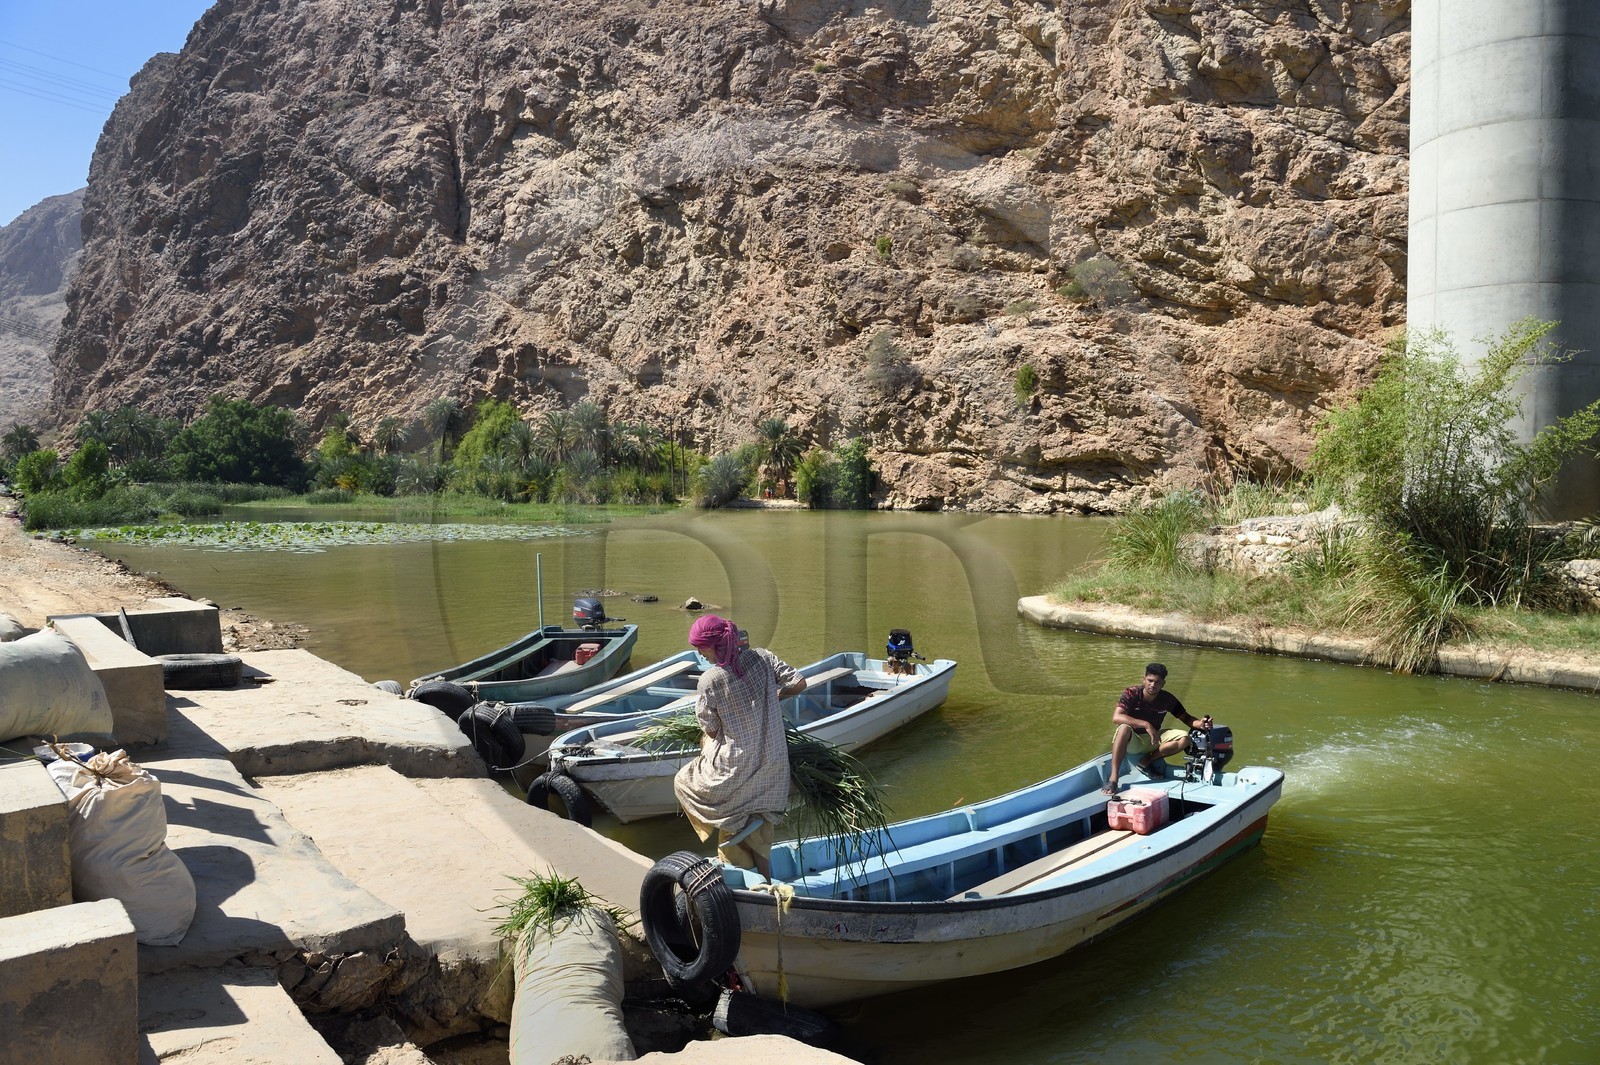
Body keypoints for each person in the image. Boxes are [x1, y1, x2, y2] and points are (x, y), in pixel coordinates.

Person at [673, 614, 807, 878]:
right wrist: (773, 697)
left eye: (701, 648)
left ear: (713, 646)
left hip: (734, 767)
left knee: (682, 781)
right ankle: (765, 876)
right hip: (773, 762)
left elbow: (710, 728)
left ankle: (730, 819)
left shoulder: (710, 680)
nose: (700, 654)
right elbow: (799, 683)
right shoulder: (763, 658)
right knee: (758, 823)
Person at [1103, 662, 1210, 795]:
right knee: (1123, 728)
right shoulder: (1131, 693)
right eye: (1150, 680)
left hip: (1153, 741)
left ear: (1163, 683)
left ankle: (1147, 761)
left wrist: (1201, 724)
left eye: (1157, 682)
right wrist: (1146, 724)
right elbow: (1116, 717)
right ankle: (1113, 779)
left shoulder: (1167, 699)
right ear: (1144, 679)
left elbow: (1187, 719)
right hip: (1132, 741)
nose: (1153, 685)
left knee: (1184, 739)